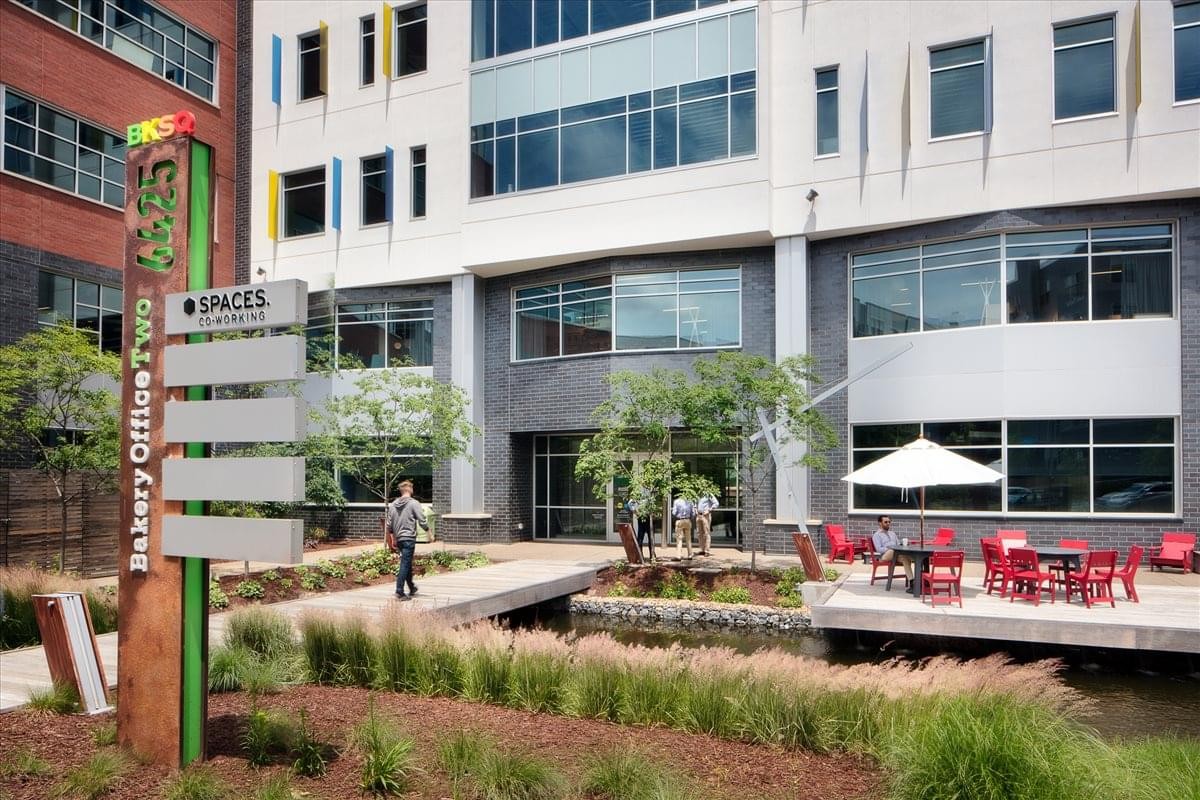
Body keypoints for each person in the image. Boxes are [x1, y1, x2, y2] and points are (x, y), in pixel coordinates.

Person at [386, 480, 429, 601]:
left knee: (407, 562)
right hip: (409, 538)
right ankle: (399, 591)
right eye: (412, 487)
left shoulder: (393, 504)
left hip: (399, 538)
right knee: (405, 564)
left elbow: (389, 524)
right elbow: (421, 519)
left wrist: (393, 538)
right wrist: (428, 531)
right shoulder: (414, 503)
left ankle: (411, 587)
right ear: (409, 489)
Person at [870, 515, 913, 583]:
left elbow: (898, 544)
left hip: (896, 555)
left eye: (889, 522)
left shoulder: (892, 533)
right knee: (892, 549)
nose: (888, 523)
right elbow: (878, 549)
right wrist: (890, 548)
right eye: (886, 522)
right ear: (880, 523)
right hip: (884, 556)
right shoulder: (877, 535)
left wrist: (903, 544)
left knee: (906, 558)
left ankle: (912, 581)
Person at [671, 494, 695, 560]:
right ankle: (690, 555)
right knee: (688, 539)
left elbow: (674, 512)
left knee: (679, 539)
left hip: (680, 520)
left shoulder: (676, 501)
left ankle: (679, 556)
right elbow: (693, 513)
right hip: (687, 520)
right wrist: (690, 518)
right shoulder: (690, 501)